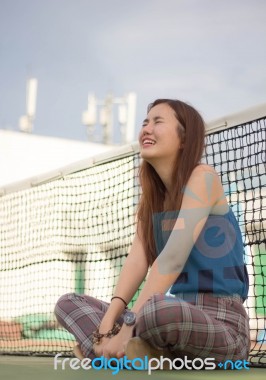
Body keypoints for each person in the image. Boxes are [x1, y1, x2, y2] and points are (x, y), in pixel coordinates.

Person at [54, 99, 250, 366]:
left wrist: (128, 327)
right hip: (167, 317)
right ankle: (139, 352)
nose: (146, 128)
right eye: (145, 122)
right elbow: (137, 261)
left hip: (221, 323)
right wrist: (107, 325)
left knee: (157, 308)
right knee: (68, 303)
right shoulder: (153, 198)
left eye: (158, 121)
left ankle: (113, 352)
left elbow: (172, 259)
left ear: (184, 138)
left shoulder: (203, 177)